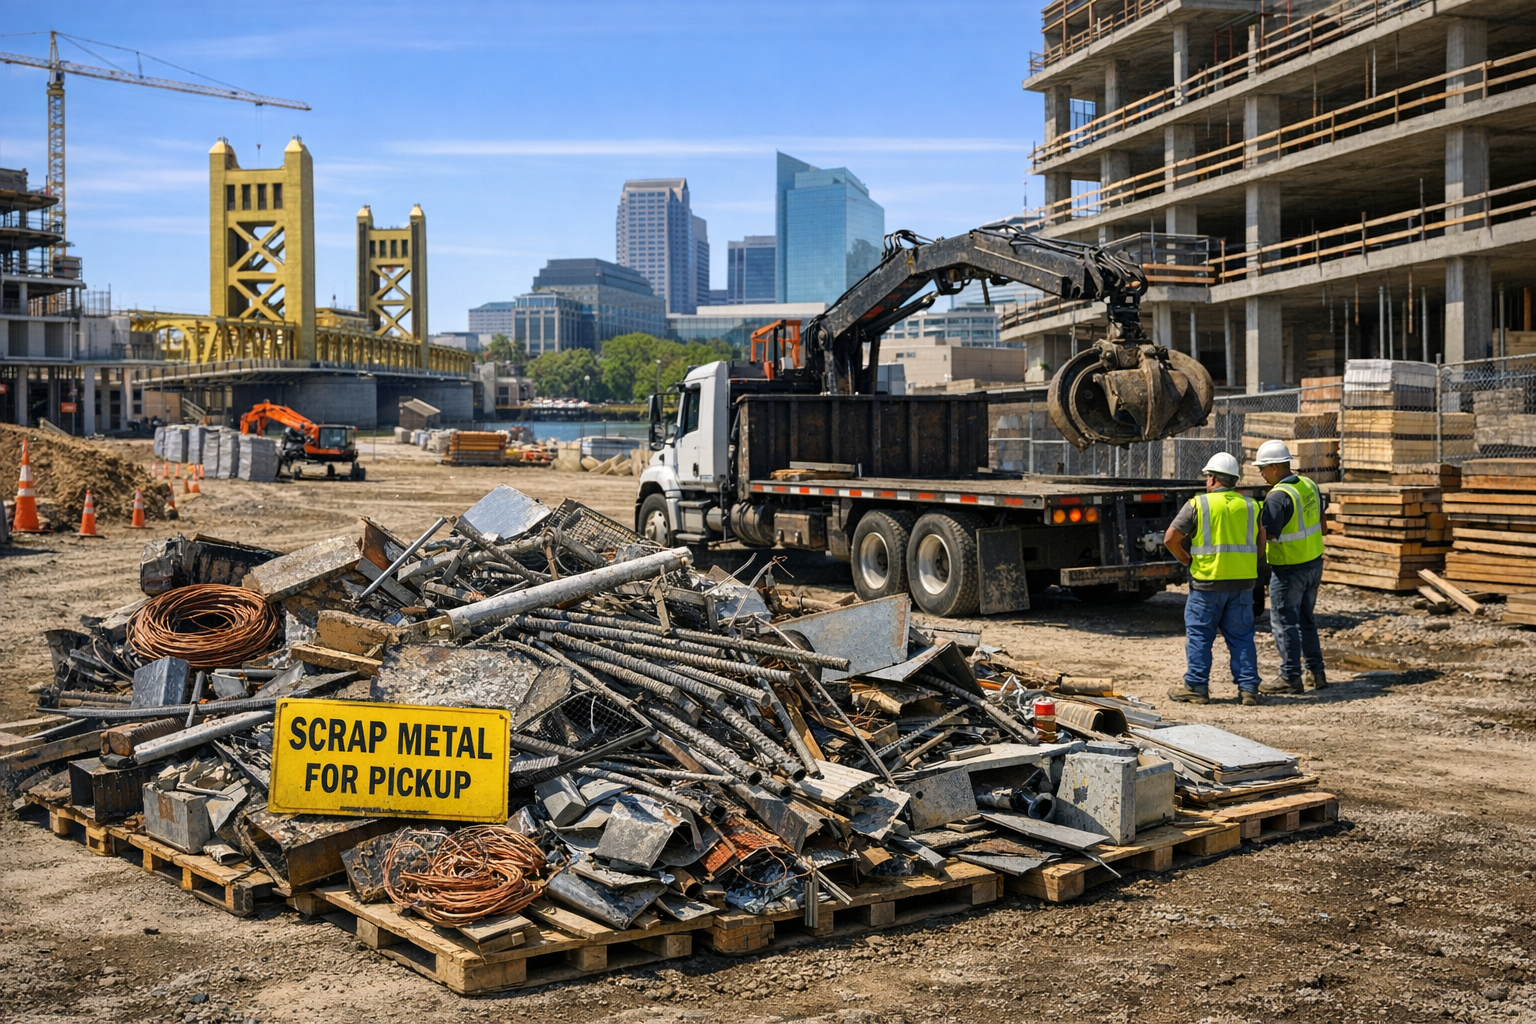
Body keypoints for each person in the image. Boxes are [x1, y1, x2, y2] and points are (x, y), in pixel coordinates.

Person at [1163, 452, 1266, 706]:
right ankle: (1249, 689)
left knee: (1200, 636)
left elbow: (1170, 539)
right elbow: (1261, 543)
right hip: (1243, 584)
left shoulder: (1198, 505)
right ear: (1234, 481)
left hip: (1207, 583)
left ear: (1212, 478)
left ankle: (1197, 687)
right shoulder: (1252, 506)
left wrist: (1186, 559)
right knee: (1242, 637)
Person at [1252, 440, 1328, 695]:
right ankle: (1316, 673)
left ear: (1274, 467)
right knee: (1306, 619)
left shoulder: (1277, 497)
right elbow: (1323, 524)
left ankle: (1290, 678)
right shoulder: (1309, 485)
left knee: (1284, 622)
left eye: (1263, 468)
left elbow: (1269, 535)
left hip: (1289, 569)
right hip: (1314, 563)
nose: (1261, 473)